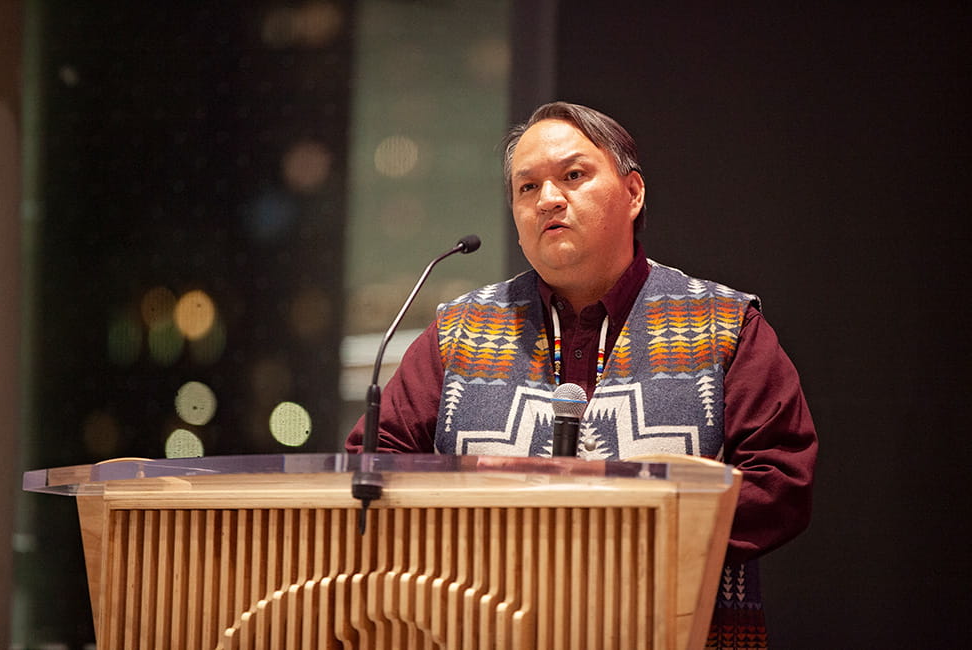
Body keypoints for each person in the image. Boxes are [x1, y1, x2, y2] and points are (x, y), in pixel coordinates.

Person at [346, 101, 817, 649]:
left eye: (572, 176)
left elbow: (781, 478)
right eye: (526, 188)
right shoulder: (458, 333)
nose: (547, 199)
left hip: (671, 629)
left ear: (633, 194)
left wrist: (625, 536)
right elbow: (371, 467)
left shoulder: (724, 323)